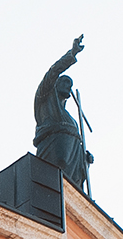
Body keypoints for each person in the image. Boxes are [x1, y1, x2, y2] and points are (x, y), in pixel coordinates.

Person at [33, 35, 92, 191]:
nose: (68, 85)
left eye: (70, 84)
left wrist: (84, 159)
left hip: (72, 164)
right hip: (53, 159)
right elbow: (52, 73)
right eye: (65, 82)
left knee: (74, 191)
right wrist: (71, 54)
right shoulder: (45, 100)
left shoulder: (71, 120)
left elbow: (75, 145)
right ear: (55, 84)